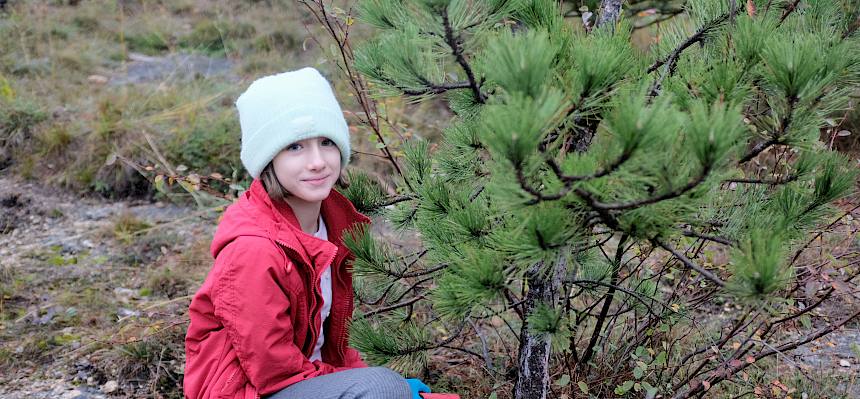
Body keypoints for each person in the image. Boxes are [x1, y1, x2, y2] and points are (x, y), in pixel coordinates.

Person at [183, 67, 431, 399]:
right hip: (251, 391)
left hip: (301, 381)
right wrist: (379, 387)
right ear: (268, 158)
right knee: (382, 387)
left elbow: (333, 349)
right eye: (295, 147)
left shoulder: (333, 227)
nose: (317, 162)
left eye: (327, 142)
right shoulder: (254, 250)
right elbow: (274, 372)